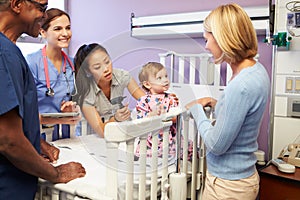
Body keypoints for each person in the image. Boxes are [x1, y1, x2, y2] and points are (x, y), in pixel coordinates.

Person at [0, 0, 85, 199]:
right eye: (41, 8)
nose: (44, 16)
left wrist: (34, 141)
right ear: (17, 4)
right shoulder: (5, 55)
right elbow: (8, 140)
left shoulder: (10, 52)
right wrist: (56, 173)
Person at [185, 3, 270, 200]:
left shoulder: (240, 85)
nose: (206, 46)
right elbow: (244, 110)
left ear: (224, 39)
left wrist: (196, 110)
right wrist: (219, 104)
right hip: (241, 178)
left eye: (207, 39)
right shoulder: (256, 70)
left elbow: (216, 145)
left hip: (227, 187)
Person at [26, 8, 80, 141]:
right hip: (39, 137)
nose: (65, 33)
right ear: (43, 32)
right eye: (58, 29)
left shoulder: (73, 64)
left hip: (67, 136)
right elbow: (23, 109)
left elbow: (79, 101)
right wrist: (59, 118)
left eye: (68, 28)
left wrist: (72, 108)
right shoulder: (32, 63)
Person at [73, 43, 145, 137]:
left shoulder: (122, 76)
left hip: (117, 134)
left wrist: (165, 100)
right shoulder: (86, 94)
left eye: (107, 62)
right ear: (88, 71)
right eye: (97, 67)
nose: (106, 69)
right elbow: (102, 132)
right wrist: (116, 118)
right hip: (92, 137)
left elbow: (146, 100)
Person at [135, 62, 193, 160]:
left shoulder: (171, 98)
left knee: (188, 148)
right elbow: (140, 120)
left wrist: (168, 116)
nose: (165, 80)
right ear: (147, 84)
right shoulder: (143, 101)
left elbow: (176, 117)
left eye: (166, 76)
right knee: (143, 151)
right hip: (151, 138)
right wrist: (152, 115)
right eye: (159, 78)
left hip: (170, 136)